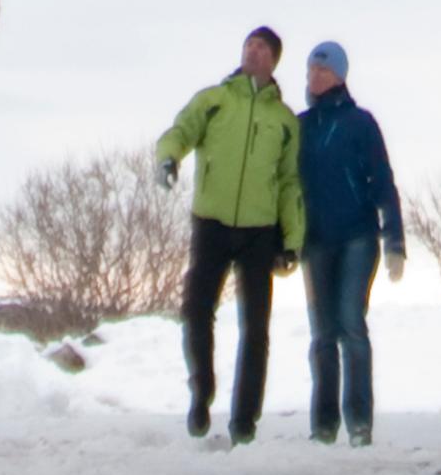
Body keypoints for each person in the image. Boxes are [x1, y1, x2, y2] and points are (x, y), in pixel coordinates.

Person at [158, 23, 304, 443]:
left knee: (255, 327)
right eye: (248, 45)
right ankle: (201, 390)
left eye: (262, 48)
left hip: (259, 230)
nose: (253, 51)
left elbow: (290, 182)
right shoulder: (214, 100)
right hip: (212, 223)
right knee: (196, 310)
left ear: (274, 60)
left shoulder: (284, 120)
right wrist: (168, 159)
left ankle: (244, 420)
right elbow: (181, 131)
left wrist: (291, 241)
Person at [296, 40, 406, 448]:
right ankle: (323, 426)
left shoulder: (361, 123)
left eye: (323, 70)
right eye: (311, 70)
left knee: (350, 324)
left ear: (340, 76)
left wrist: (394, 239)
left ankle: (359, 422)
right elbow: (285, 188)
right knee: (322, 333)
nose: (315, 77)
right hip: (315, 242)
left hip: (358, 237)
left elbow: (383, 181)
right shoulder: (300, 126)